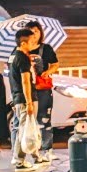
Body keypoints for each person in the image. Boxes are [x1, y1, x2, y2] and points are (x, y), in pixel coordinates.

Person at [7, 28, 40, 171]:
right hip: (24, 98)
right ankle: (19, 160)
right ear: (24, 43)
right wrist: (29, 103)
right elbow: (25, 81)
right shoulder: (22, 58)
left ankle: (33, 155)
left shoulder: (13, 55)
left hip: (17, 97)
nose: (35, 43)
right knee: (23, 129)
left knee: (24, 128)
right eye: (32, 41)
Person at [26, 21, 58, 164]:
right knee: (29, 121)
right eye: (31, 31)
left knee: (45, 119)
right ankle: (33, 150)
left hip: (43, 89)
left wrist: (47, 72)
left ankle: (47, 150)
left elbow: (55, 64)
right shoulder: (22, 49)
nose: (34, 34)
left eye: (36, 31)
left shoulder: (47, 49)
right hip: (28, 89)